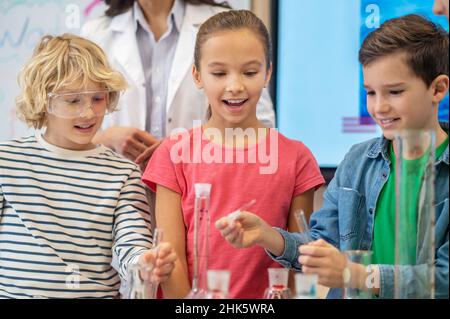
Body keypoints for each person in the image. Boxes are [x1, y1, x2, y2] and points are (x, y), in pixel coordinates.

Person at [216, 14, 449, 299]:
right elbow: (320, 244)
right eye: (371, 93)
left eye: (395, 92)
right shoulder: (357, 161)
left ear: (438, 88)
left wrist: (357, 274)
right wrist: (268, 235)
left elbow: (444, 278)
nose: (379, 107)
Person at [141, 10, 324, 299]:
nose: (235, 85)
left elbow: (298, 257)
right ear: (197, 75)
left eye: (250, 72)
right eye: (219, 73)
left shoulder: (296, 157)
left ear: (268, 73)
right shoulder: (173, 154)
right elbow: (170, 257)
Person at [0, 34, 176, 298]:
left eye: (97, 98)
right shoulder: (7, 161)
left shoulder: (123, 174)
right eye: (73, 101)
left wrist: (146, 263)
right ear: (44, 100)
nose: (88, 113)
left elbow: (132, 249)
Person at [81, 0, 276, 169]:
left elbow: (260, 126)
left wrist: (193, 147)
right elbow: (66, 126)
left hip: (199, 189)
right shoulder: (96, 33)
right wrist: (106, 138)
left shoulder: (222, 25)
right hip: (121, 192)